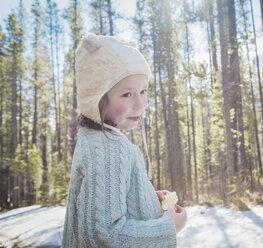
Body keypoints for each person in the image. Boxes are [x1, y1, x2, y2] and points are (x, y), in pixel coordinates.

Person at [62, 34, 187, 248]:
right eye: (127, 94)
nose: (140, 104)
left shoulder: (97, 140)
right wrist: (169, 226)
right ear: (97, 99)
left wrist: (145, 198)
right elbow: (103, 235)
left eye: (143, 91)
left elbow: (105, 204)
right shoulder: (109, 148)